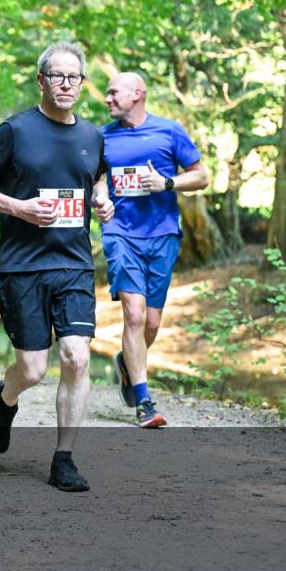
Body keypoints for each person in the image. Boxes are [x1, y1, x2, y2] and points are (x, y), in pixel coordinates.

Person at [0, 42, 114, 492]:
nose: (65, 84)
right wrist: (19, 208)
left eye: (73, 77)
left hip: (74, 264)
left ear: (81, 83)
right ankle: (4, 397)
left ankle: (63, 459)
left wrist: (102, 199)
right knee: (32, 369)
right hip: (23, 266)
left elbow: (99, 178)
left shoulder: (92, 136)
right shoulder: (15, 130)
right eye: (57, 76)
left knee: (76, 357)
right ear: (41, 80)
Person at [102, 72, 209, 428]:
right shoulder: (102, 137)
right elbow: (94, 180)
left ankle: (126, 362)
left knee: (150, 321)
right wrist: (101, 200)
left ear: (137, 93)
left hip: (162, 234)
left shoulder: (169, 131)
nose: (107, 99)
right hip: (120, 233)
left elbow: (201, 176)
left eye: (113, 93)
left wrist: (167, 182)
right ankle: (144, 401)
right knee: (133, 314)